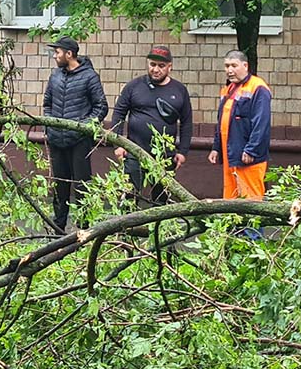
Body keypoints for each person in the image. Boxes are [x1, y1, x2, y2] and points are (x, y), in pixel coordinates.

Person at [110, 45, 193, 206]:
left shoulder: (179, 90)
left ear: (170, 67)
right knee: (129, 195)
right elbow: (118, 113)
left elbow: (186, 122)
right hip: (134, 151)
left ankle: (158, 230)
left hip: (164, 155)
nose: (156, 69)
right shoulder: (134, 86)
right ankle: (125, 230)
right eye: (152, 65)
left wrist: (183, 151)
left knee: (162, 200)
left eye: (161, 66)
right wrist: (118, 144)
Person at [43, 36, 109, 230]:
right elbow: (47, 103)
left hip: (79, 141)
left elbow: (101, 107)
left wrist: (83, 126)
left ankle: (83, 228)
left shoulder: (89, 76)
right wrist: (49, 125)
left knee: (81, 186)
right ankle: (58, 228)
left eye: (57, 52)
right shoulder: (55, 75)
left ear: (69, 54)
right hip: (56, 140)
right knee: (59, 185)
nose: (55, 56)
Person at [209, 50, 272, 200]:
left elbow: (261, 123)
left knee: (251, 199)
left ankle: (253, 225)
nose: (229, 70)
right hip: (230, 154)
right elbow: (222, 121)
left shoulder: (258, 88)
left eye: (234, 66)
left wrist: (252, 150)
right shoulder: (228, 89)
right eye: (226, 66)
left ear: (245, 66)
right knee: (231, 198)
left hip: (247, 157)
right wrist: (216, 148)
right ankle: (234, 224)